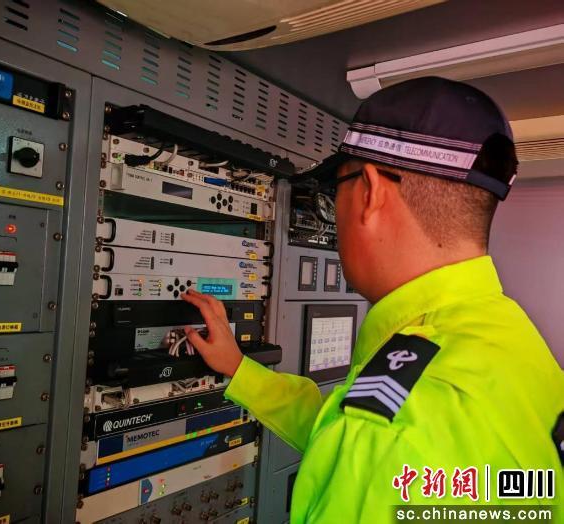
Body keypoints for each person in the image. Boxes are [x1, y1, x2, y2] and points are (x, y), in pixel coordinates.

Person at [181, 77, 564, 523]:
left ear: (370, 192)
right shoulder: (514, 342)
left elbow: (374, 442)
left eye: (335, 190)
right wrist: (240, 370)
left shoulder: (387, 435)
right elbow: (346, 430)